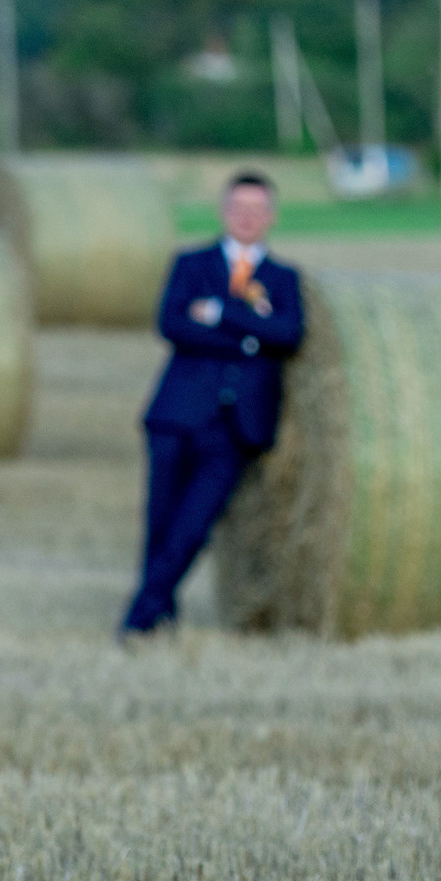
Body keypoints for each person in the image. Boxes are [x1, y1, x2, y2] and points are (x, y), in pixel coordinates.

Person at [120, 171, 304, 637]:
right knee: (160, 521)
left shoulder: (284, 279)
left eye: (257, 210)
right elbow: (173, 324)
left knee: (194, 526)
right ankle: (159, 613)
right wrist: (249, 338)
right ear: (224, 211)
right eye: (238, 208)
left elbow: (288, 335)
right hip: (177, 417)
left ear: (271, 216)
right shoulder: (190, 264)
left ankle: (138, 618)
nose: (247, 218)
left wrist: (222, 314)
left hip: (236, 427)